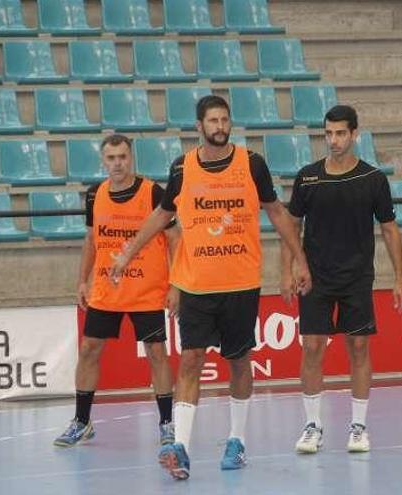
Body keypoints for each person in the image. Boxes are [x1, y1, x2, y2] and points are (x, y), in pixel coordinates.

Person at [112, 95, 312, 481]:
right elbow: (162, 214)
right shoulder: (182, 168)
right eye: (213, 121)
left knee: (239, 361)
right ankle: (182, 448)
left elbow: (276, 213)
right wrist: (127, 254)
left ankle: (237, 441)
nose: (220, 127)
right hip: (196, 285)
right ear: (199, 126)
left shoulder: (252, 164)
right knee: (190, 360)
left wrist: (300, 260)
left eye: (225, 120)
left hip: (240, 283)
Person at [280, 105, 402, 455]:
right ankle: (312, 425)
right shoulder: (307, 177)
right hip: (315, 277)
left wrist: (400, 278)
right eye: (328, 134)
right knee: (312, 348)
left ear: (354, 135)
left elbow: (390, 229)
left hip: (356, 277)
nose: (333, 140)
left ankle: (359, 426)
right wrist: (288, 269)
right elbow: (291, 227)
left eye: (340, 133)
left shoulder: (372, 179)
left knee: (359, 348)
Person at [54, 134, 179, 448]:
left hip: (146, 290)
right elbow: (90, 240)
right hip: (106, 290)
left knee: (157, 354)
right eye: (111, 158)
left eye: (122, 157)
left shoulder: (153, 192)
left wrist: (176, 284)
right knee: (89, 350)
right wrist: (82, 280)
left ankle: (167, 423)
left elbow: (176, 238)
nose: (117, 163)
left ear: (131, 157)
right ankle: (82, 421)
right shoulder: (95, 195)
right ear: (103, 160)